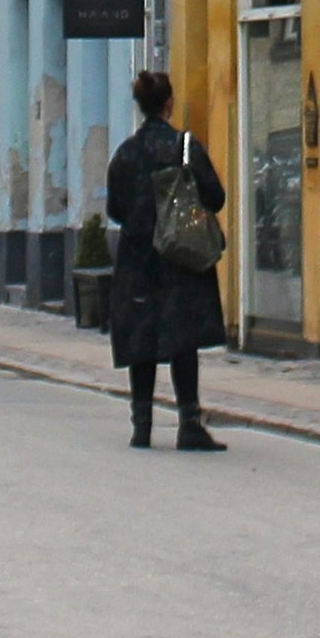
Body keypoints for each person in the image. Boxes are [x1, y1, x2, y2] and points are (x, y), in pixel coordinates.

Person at [102, 67, 230, 451]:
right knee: (182, 340)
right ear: (169, 103)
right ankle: (189, 423)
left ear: (140, 106)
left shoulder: (125, 153)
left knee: (141, 340)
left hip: (137, 259)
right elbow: (215, 197)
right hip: (180, 258)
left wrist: (141, 219)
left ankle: (141, 425)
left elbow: (114, 209)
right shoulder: (184, 146)